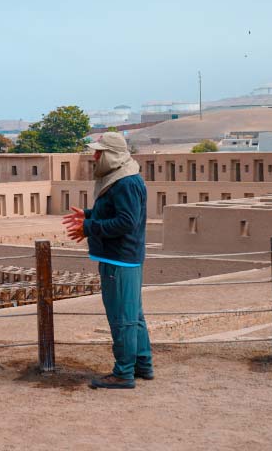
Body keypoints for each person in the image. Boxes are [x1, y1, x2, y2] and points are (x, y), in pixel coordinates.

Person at [62, 132, 152, 389]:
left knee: (122, 317)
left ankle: (124, 373)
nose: (94, 157)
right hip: (124, 257)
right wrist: (90, 215)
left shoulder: (124, 183)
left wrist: (89, 227)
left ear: (112, 155)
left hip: (120, 259)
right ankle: (142, 365)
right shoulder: (123, 179)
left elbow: (126, 222)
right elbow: (118, 212)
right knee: (134, 314)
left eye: (99, 153)